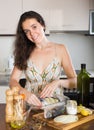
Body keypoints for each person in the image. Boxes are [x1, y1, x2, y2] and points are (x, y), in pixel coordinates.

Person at [9, 10, 77, 107]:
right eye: (27, 31)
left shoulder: (60, 49)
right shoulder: (23, 52)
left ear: (43, 25)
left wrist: (58, 82)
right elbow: (12, 81)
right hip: (30, 107)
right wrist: (23, 91)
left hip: (55, 107)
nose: (32, 34)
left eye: (34, 27)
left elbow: (75, 82)